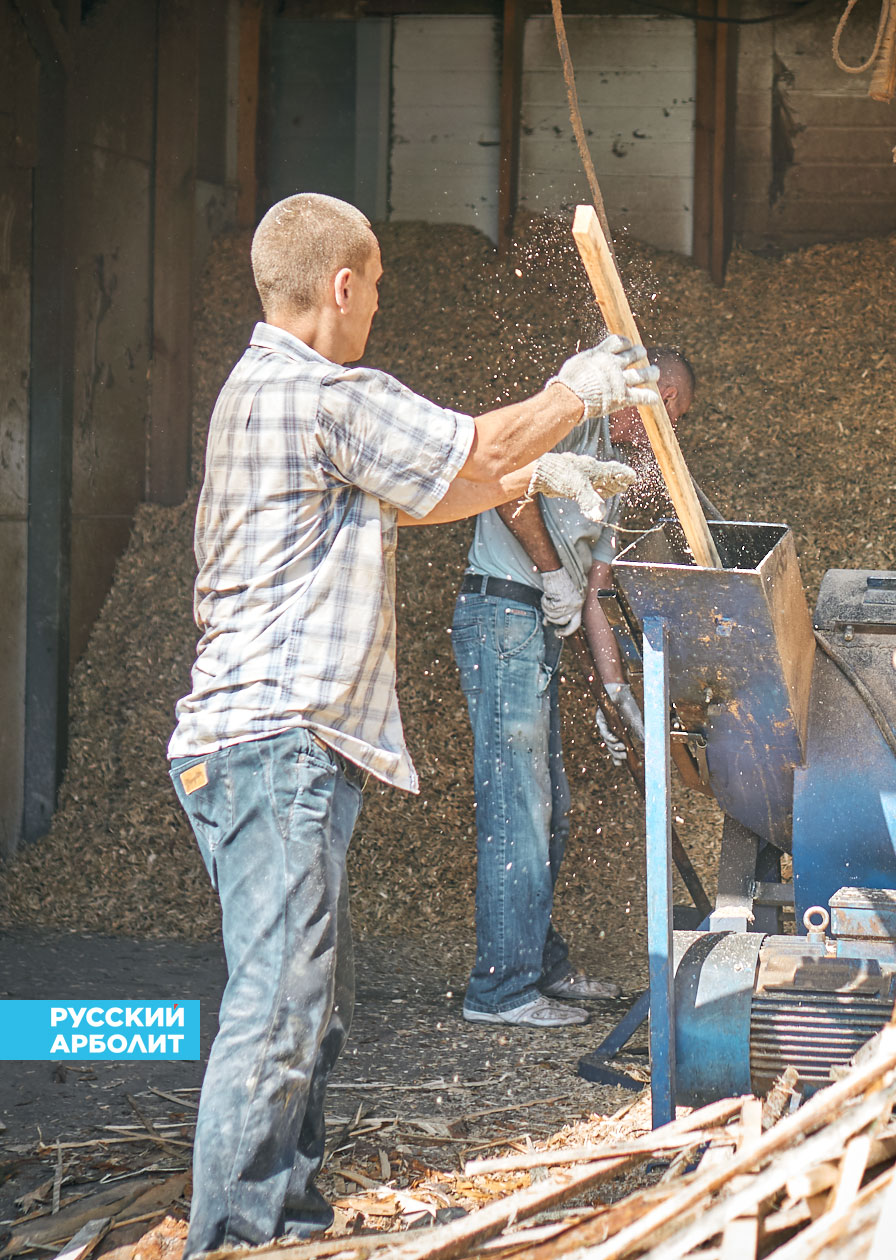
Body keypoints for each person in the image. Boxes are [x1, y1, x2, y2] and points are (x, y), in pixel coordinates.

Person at [165, 192, 656, 1259]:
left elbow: (425, 488)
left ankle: (286, 1225)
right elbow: (466, 447)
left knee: (302, 1007)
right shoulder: (318, 393)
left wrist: (531, 472)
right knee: (280, 1009)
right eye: (377, 284)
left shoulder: (261, 391)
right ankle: (238, 1241)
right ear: (341, 284)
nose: (380, 304)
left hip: (257, 747)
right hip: (272, 742)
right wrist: (574, 394)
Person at [453, 349, 697, 1027]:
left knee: (551, 808)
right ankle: (500, 990)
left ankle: (536, 958)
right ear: (657, 395)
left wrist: (616, 694)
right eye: (666, 416)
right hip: (501, 613)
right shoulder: (563, 415)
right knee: (519, 808)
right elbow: (505, 481)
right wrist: (549, 571)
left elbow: (593, 592)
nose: (660, 437)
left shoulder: (615, 476)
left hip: (537, 624)